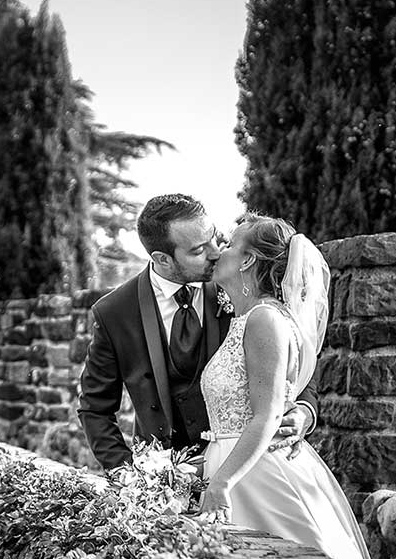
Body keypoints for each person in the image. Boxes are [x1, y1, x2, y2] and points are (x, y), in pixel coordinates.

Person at [196, 214, 396, 559]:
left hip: (258, 480)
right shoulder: (250, 317)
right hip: (247, 471)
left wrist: (220, 483)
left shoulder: (262, 320)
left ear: (250, 260)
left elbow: (265, 416)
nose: (220, 251)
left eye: (230, 245)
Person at [77, 193, 317, 473]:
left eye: (214, 238)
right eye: (198, 250)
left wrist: (304, 412)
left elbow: (294, 360)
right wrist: (129, 475)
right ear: (163, 259)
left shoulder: (241, 290)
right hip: (163, 476)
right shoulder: (115, 311)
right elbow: (95, 407)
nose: (215, 252)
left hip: (242, 466)